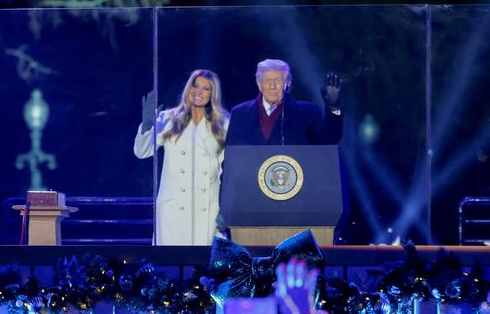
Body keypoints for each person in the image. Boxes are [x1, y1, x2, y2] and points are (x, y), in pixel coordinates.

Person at [134, 69, 229, 245]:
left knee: (202, 266)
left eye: (206, 88)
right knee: (170, 264)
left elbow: (228, 170)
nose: (199, 92)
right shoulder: (168, 118)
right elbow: (142, 151)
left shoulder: (223, 124)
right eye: (195, 85)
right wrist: (147, 126)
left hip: (207, 209)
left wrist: (227, 209)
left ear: (212, 94)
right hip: (173, 207)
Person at [225, 59, 342, 146]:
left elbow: (330, 139)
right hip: (249, 179)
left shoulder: (308, 112)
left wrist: (333, 105)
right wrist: (226, 179)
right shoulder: (239, 114)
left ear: (288, 82)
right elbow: (231, 158)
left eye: (278, 80)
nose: (272, 86)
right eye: (267, 81)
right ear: (259, 84)